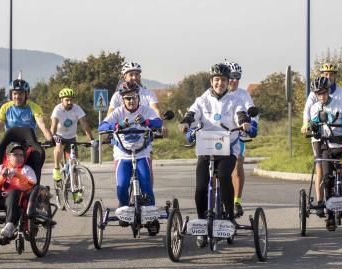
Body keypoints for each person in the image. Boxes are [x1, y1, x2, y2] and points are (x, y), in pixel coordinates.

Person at [180, 63, 251, 221]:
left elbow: (241, 114)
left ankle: (230, 216)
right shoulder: (202, 100)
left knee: (225, 177)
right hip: (206, 149)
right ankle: (201, 221)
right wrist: (186, 123)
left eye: (224, 80)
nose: (220, 83)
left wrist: (243, 123)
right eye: (217, 79)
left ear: (227, 81)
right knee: (200, 188)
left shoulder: (235, 100)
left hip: (228, 150)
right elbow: (192, 114)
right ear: (211, 81)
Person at [98, 81, 164, 220]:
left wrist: (146, 122)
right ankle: (124, 210)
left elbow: (158, 122)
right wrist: (117, 125)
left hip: (142, 152)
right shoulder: (118, 112)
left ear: (138, 97)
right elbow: (102, 126)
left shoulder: (146, 110)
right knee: (121, 185)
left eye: (134, 97)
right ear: (123, 99)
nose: (131, 100)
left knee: (146, 182)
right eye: (128, 98)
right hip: (123, 154)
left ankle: (151, 215)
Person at [306, 77, 342, 231]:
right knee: (327, 178)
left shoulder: (340, 105)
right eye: (318, 93)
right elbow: (314, 123)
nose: (322, 95)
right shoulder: (315, 107)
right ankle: (329, 215)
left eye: (324, 92)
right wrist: (313, 129)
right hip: (326, 146)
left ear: (328, 91)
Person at [0, 76, 50, 185]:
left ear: (26, 95)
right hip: (10, 143)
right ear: (11, 94)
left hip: (28, 142)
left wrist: (50, 138)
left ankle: (34, 185)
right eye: (15, 93)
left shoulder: (33, 107)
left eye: (21, 93)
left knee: (39, 154)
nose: (17, 96)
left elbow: (42, 124)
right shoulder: (5, 107)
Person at [225, 61, 259, 218]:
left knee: (238, 161)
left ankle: (236, 201)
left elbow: (252, 113)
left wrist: (253, 126)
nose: (234, 80)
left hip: (236, 135)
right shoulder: (214, 91)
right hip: (218, 135)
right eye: (231, 77)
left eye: (237, 77)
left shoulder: (243, 95)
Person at [50, 88, 95, 182]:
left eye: (71, 99)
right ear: (61, 100)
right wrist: (52, 136)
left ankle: (76, 191)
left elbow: (84, 124)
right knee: (59, 146)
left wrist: (91, 139)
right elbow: (53, 125)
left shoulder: (77, 108)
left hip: (71, 137)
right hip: (60, 135)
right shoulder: (57, 109)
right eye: (67, 100)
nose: (70, 102)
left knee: (74, 164)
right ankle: (56, 169)